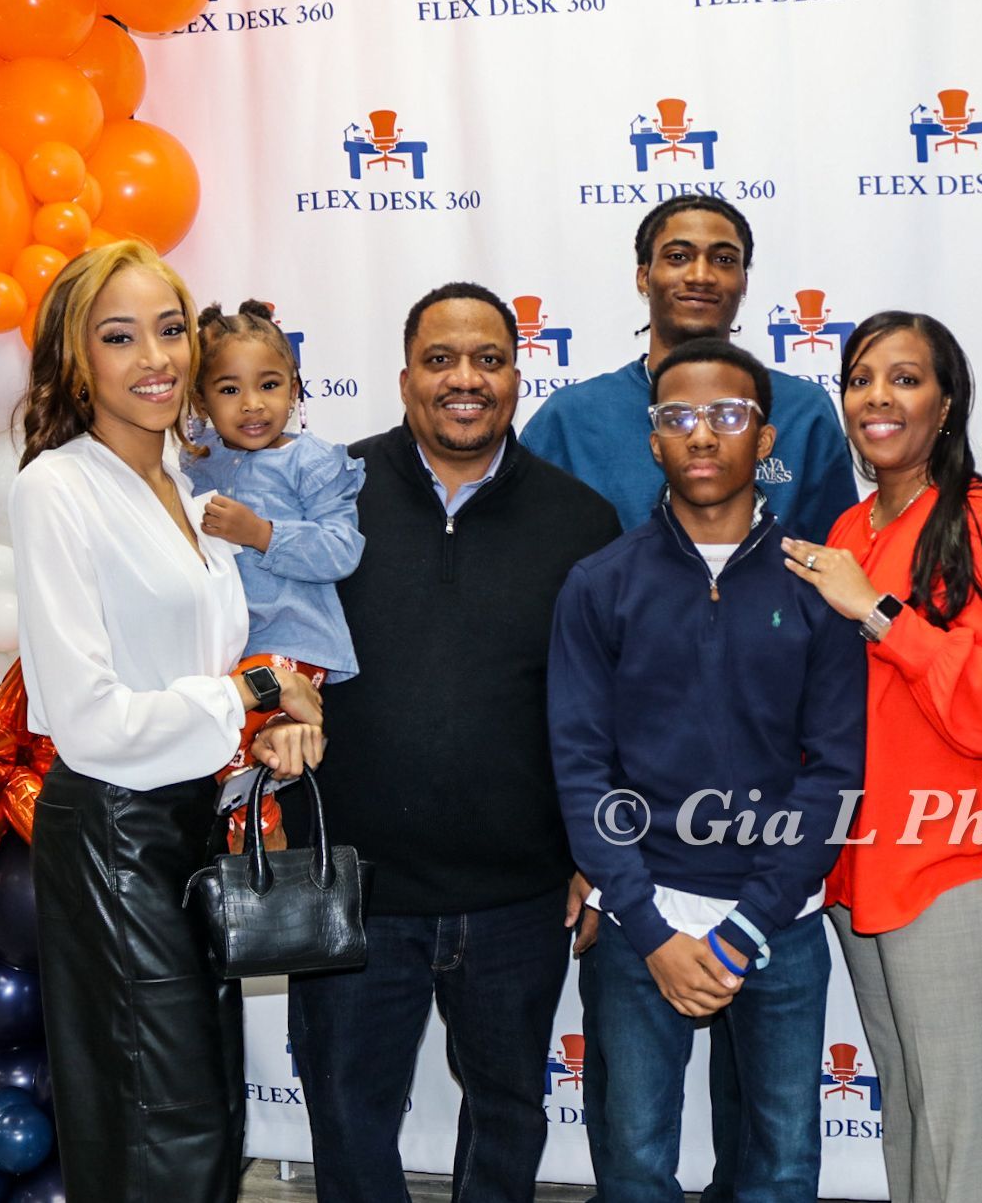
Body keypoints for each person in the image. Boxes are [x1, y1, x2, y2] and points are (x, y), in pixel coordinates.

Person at [521, 194, 856, 1194]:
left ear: (764, 437)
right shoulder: (598, 572)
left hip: (777, 907)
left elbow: (835, 762)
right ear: (652, 439)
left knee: (778, 1158)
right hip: (637, 904)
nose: (703, 436)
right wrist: (628, 901)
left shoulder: (814, 580)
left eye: (728, 418)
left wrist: (754, 919)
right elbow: (577, 752)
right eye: (678, 420)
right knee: (632, 1156)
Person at [284, 282, 620, 1203]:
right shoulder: (327, 496)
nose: (464, 379)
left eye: (487, 360)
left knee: (508, 1113)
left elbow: (602, 709)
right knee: (348, 1117)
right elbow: (261, 644)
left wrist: (594, 855)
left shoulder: (580, 520)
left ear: (517, 377)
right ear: (404, 379)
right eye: (440, 360)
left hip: (519, 897)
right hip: (352, 891)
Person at [9, 241, 326, 1202]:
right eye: (119, 336)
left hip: (191, 823)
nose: (154, 357)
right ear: (76, 359)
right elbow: (90, 719)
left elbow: (197, 670)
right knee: (163, 1124)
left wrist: (264, 714)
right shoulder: (56, 487)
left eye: (169, 328)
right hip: (113, 832)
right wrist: (253, 691)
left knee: (206, 1112)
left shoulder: (186, 492)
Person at [780, 311, 982, 1203]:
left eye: (904, 378)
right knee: (907, 1104)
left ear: (945, 404)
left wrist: (877, 612)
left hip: (949, 857)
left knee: (953, 1121)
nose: (877, 398)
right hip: (862, 859)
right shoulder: (848, 526)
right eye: (860, 379)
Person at [521, 193, 858, 542]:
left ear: (744, 282)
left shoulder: (803, 411)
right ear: (643, 277)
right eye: (678, 257)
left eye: (723, 259)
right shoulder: (570, 419)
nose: (701, 276)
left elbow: (838, 553)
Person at [184, 299, 365, 846]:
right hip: (222, 651)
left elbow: (342, 550)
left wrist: (262, 533)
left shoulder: (312, 462)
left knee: (233, 731)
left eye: (269, 385)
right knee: (214, 737)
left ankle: (260, 840)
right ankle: (257, 840)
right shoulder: (193, 462)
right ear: (200, 399)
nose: (253, 404)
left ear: (295, 390)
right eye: (229, 389)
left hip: (292, 642)